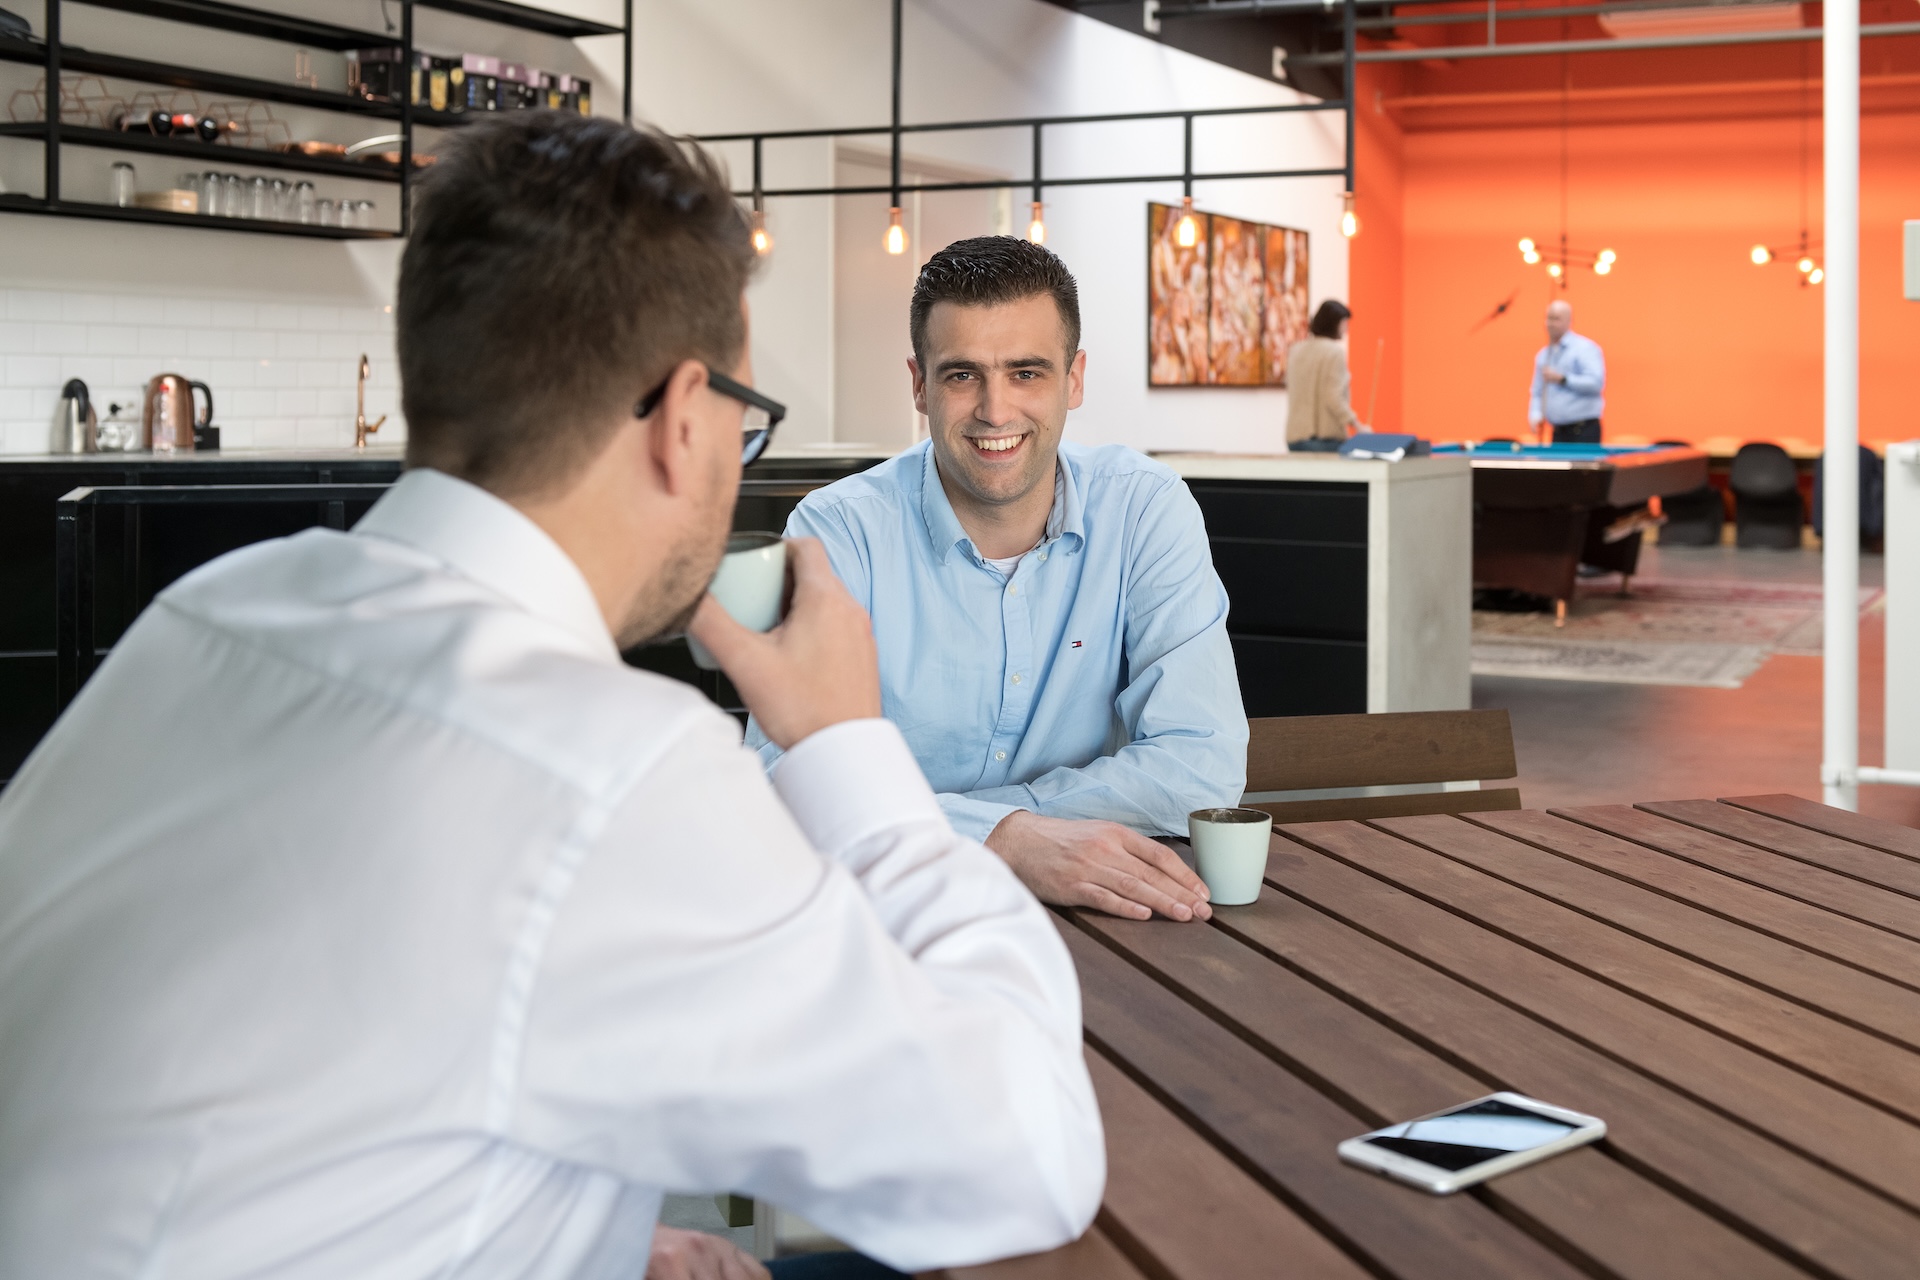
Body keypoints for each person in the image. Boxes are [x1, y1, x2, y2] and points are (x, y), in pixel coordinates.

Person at [0, 114, 1103, 1280]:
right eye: (742, 411)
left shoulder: (212, 615)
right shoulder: (609, 768)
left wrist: (575, 1231)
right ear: (687, 418)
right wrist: (849, 747)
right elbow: (1025, 1155)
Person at [750, 237, 1246, 925]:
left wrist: (982, 827)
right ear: (919, 385)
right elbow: (786, 784)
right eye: (961, 376)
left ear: (1073, 379)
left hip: (1099, 910)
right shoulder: (839, 533)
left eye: (1026, 373)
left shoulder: (1145, 510)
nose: (995, 410)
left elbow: (1199, 767)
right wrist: (1002, 842)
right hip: (884, 917)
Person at [1284, 299, 1362, 452]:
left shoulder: (1295, 350)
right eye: (1345, 323)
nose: (1346, 329)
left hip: (1295, 438)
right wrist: (1357, 425)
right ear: (1335, 323)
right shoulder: (1334, 352)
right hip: (1323, 440)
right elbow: (1333, 397)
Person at [1528, 299, 1606, 444]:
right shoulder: (1543, 355)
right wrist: (1535, 414)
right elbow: (1537, 391)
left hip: (1583, 430)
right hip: (1558, 431)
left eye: (1556, 319)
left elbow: (1596, 383)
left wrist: (1563, 379)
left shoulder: (1585, 349)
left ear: (1569, 321)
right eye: (1548, 318)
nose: (1550, 323)